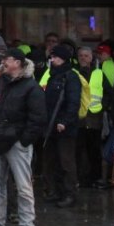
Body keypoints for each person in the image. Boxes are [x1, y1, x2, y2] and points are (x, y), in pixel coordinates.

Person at [0, 47, 46, 226]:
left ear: (18, 62)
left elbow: (38, 117)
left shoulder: (30, 87)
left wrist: (24, 139)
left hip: (17, 142)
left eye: (7, 59)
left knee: (24, 186)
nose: (3, 62)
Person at [41, 44, 80, 207]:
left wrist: (65, 121)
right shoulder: (53, 76)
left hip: (64, 128)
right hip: (51, 126)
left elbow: (73, 102)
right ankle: (55, 190)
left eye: (55, 57)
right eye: (52, 57)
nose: (52, 60)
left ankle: (69, 193)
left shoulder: (70, 77)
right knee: (52, 161)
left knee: (66, 161)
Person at [74, 46, 103, 189]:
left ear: (92, 58)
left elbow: (108, 93)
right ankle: (80, 178)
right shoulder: (73, 73)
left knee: (94, 150)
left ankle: (96, 178)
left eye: (86, 55)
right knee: (78, 151)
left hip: (94, 118)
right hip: (78, 119)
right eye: (81, 56)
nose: (83, 58)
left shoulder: (99, 74)